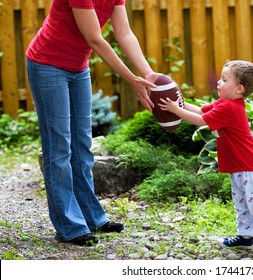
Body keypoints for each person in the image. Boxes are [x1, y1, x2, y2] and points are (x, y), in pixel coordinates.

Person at [26, 0, 159, 246]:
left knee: (82, 145)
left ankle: (91, 216)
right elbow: (94, 38)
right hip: (47, 65)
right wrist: (131, 79)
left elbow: (125, 33)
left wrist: (148, 75)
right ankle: (69, 226)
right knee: (59, 148)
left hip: (78, 68)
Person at [159, 60, 253, 256]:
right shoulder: (224, 103)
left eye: (224, 79)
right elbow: (200, 110)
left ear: (239, 88)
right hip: (239, 165)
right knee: (242, 203)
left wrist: (176, 110)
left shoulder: (230, 108)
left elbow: (201, 120)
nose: (218, 83)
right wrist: (177, 101)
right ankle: (245, 236)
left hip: (249, 165)